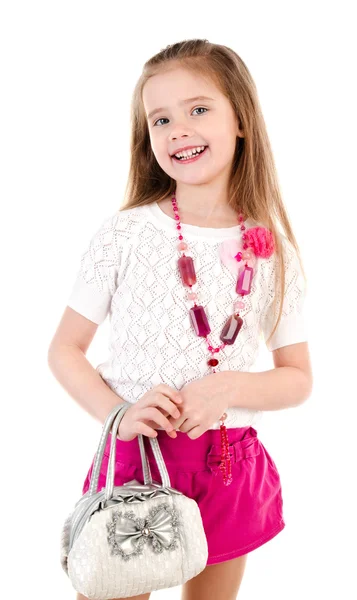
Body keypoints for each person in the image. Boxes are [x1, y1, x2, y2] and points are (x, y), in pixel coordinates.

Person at [48, 38, 313, 600]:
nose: (177, 130)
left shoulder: (275, 252)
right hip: (137, 458)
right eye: (160, 119)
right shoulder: (125, 235)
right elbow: (64, 350)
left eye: (198, 110)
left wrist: (231, 387)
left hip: (227, 466)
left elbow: (298, 377)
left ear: (240, 119)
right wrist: (116, 413)